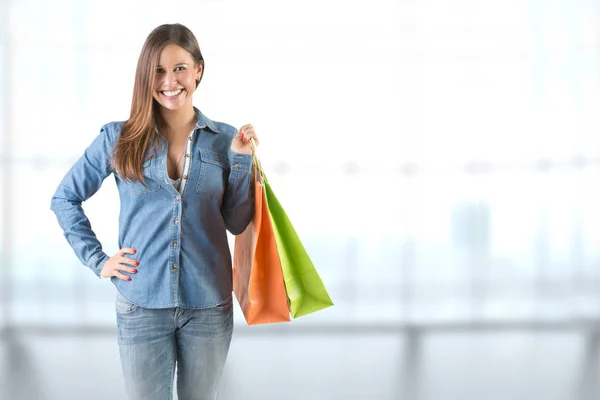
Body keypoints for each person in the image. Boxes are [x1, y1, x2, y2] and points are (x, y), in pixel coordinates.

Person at [50, 23, 258, 400]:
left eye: (179, 68)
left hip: (209, 306)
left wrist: (242, 164)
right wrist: (98, 261)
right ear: (146, 76)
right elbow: (65, 198)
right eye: (158, 70)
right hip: (141, 306)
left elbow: (237, 221)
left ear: (198, 70)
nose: (169, 81)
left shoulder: (228, 140)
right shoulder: (118, 138)